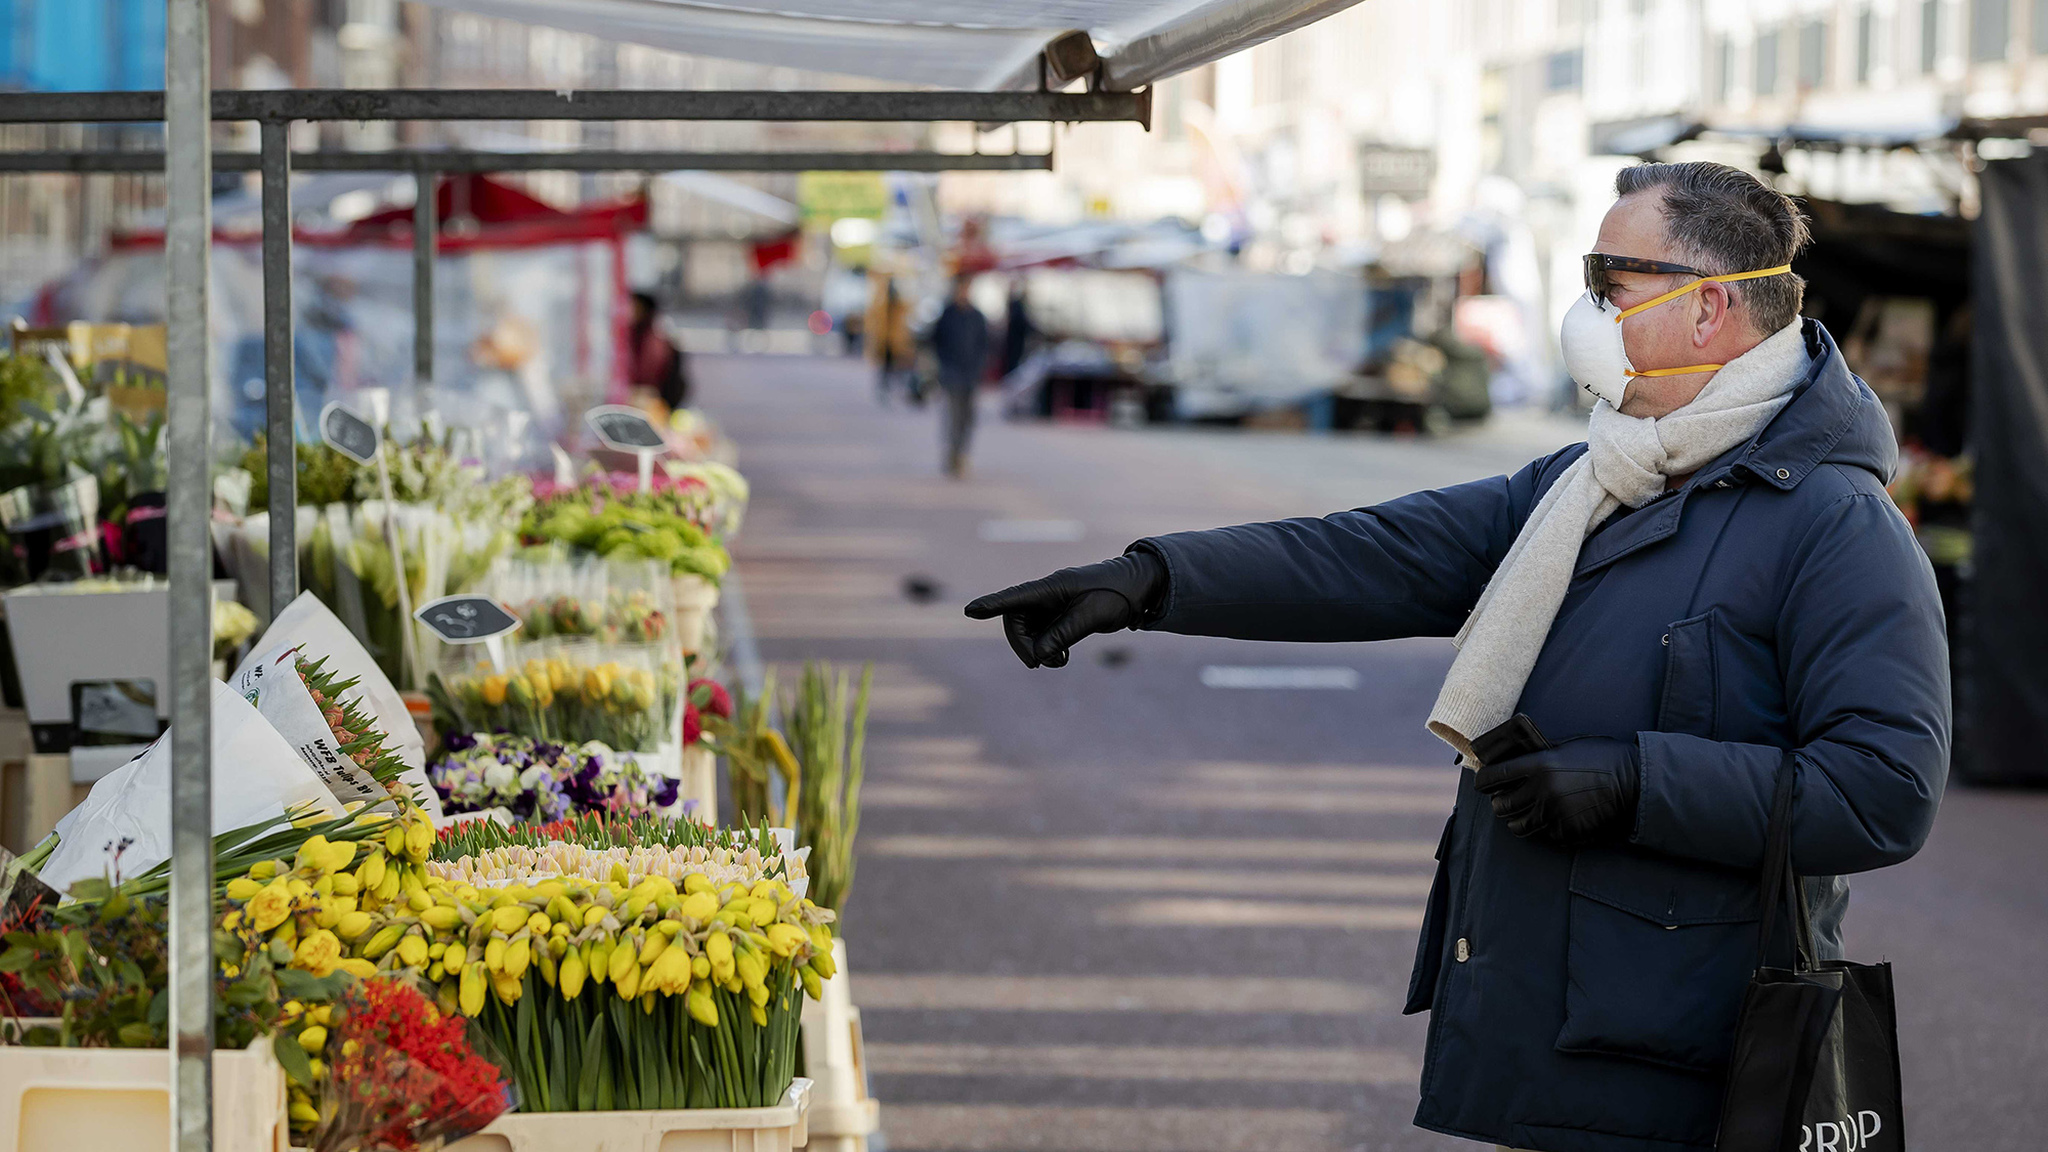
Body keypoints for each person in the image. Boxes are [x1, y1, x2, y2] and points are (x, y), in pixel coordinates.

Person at [964, 162, 1948, 1152]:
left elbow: (1883, 789)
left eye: (1610, 284)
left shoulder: (1835, 522)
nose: (1588, 311)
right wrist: (1150, 581)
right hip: (1570, 1033)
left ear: (1708, 309)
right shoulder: (1596, 476)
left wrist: (1633, 781)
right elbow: (1375, 555)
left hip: (1697, 1059)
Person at [932, 276, 990, 478]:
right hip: (951, 373)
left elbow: (984, 344)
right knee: (953, 415)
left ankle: (962, 453)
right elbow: (936, 341)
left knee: (967, 417)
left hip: (971, 375)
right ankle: (953, 454)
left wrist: (980, 367)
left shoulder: (977, 316)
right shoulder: (947, 314)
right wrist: (942, 366)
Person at [626, 291, 689, 413]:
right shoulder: (623, 342)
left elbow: (673, 386)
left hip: (653, 409)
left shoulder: (660, 346)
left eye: (636, 307)